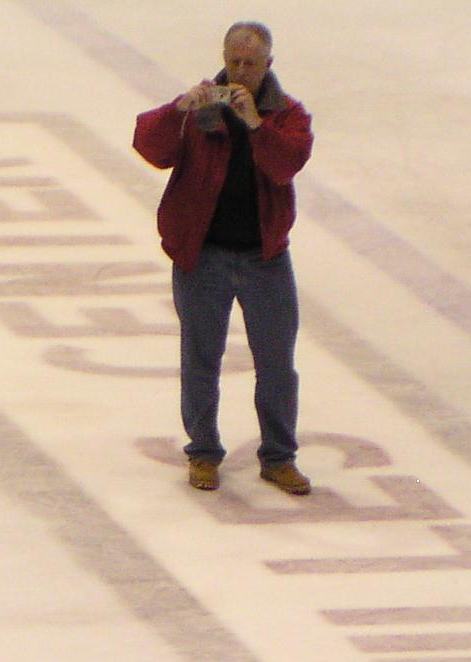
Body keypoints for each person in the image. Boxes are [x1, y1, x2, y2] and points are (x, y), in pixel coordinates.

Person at [134, 22, 314, 497]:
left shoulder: (287, 115)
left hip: (264, 259)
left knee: (276, 364)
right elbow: (150, 146)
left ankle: (279, 457)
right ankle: (203, 452)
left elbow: (286, 164)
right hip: (203, 256)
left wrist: (256, 124)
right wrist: (177, 110)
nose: (240, 70)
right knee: (200, 360)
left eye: (250, 63)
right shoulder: (201, 111)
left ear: (268, 65)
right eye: (234, 61)